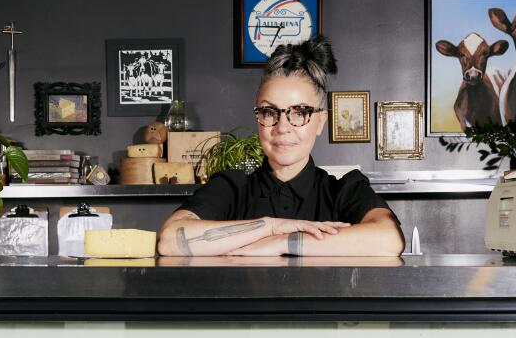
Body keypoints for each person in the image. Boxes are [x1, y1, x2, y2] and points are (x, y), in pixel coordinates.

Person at [157, 36, 404, 256]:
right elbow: (170, 240)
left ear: (320, 122)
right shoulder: (231, 187)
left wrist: (284, 242)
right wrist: (269, 226)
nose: (282, 127)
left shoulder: (343, 190)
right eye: (269, 111)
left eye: (299, 112)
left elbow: (388, 238)